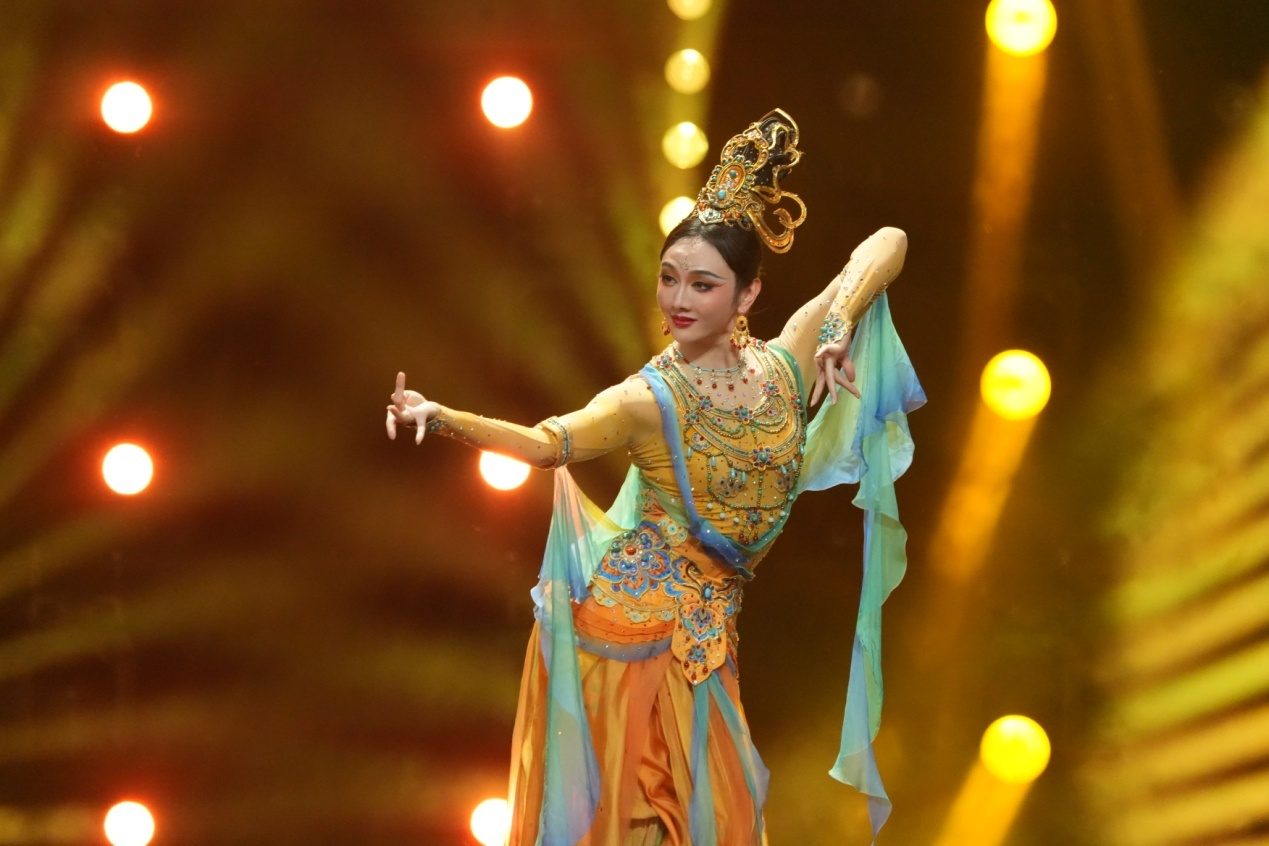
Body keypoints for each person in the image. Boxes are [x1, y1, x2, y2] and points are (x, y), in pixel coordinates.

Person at [386, 110, 924, 846]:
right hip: (624, 647)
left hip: (705, 647)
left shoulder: (787, 365)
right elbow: (547, 444)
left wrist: (837, 328)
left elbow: (888, 243)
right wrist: (441, 415)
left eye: (702, 284)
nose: (678, 300)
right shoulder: (644, 401)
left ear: (747, 297)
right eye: (669, 279)